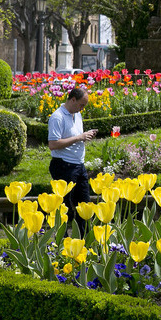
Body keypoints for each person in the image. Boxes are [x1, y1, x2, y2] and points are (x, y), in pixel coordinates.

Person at [48, 87, 97, 234]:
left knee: (84, 207)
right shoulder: (57, 117)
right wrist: (79, 137)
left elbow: (76, 137)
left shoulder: (77, 115)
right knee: (65, 207)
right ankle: (62, 242)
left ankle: (84, 242)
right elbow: (53, 144)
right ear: (73, 99)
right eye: (81, 105)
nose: (82, 109)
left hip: (79, 165)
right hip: (64, 166)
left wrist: (85, 136)